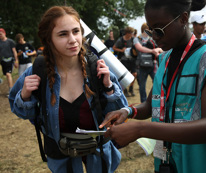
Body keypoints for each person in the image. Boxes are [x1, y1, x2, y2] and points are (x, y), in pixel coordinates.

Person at [99, 0, 206, 172]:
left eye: (159, 30)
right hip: (167, 161)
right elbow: (151, 105)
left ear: (183, 19)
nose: (154, 37)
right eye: (150, 30)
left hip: (200, 164)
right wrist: (128, 111)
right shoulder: (164, 59)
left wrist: (141, 129)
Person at [9, 6, 128, 173]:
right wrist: (25, 96)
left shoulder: (98, 68)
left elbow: (119, 113)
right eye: (63, 34)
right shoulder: (37, 71)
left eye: (76, 31)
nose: (72, 39)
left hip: (99, 155)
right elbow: (24, 113)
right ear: (48, 39)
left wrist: (109, 88)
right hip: (61, 157)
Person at [133, 23, 163, 102]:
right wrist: (153, 51)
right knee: (142, 86)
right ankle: (143, 102)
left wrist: (158, 50)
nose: (150, 31)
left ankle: (158, 100)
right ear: (144, 29)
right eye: (148, 29)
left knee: (158, 83)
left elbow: (160, 47)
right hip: (141, 66)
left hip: (153, 65)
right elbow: (140, 48)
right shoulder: (137, 39)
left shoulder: (152, 39)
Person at [113, 26, 137, 97]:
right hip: (124, 60)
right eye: (130, 33)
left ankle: (131, 88)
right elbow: (114, 47)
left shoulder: (133, 39)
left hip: (132, 60)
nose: (132, 34)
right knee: (124, 76)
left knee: (134, 74)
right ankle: (125, 90)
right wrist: (121, 50)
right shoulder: (121, 40)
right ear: (127, 33)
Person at [0, 28, 18, 96]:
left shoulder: (10, 41)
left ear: (4, 33)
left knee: (8, 74)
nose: (0, 35)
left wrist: (16, 61)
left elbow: (14, 51)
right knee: (6, 75)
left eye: (1, 34)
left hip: (10, 60)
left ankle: (11, 91)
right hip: (2, 61)